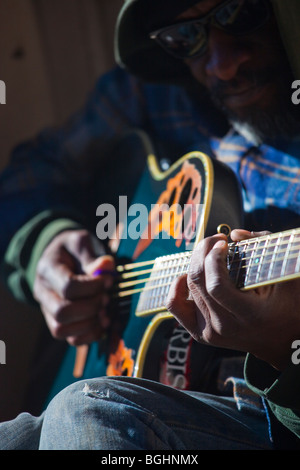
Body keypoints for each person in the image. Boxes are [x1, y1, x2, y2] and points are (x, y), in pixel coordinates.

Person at [0, 0, 300, 450]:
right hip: (138, 393)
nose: (221, 66)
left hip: (270, 421)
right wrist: (42, 246)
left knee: (86, 411)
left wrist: (285, 352)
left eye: (239, 14)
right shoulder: (153, 92)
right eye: (186, 38)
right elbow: (32, 174)